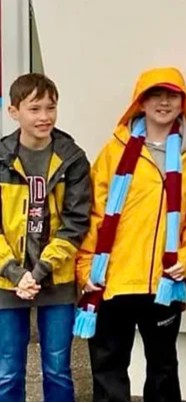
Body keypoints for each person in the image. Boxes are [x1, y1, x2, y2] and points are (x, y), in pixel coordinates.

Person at [75, 67, 186, 402]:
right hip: (113, 278)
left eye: (172, 95)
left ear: (184, 103)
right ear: (141, 102)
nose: (163, 102)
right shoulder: (113, 151)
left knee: (163, 369)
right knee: (108, 368)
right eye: (155, 95)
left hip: (163, 281)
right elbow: (94, 214)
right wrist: (84, 269)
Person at [0, 74, 91, 402]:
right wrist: (15, 272)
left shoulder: (73, 159)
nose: (44, 117)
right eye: (34, 108)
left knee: (57, 368)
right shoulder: (1, 159)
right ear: (13, 111)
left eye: (50, 107)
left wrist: (37, 273)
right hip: (7, 282)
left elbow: (75, 223)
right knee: (7, 370)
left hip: (57, 279)